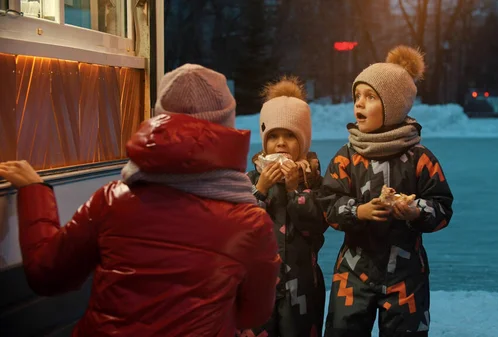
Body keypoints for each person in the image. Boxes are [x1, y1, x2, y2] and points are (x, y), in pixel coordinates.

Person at [0, 64, 280, 337]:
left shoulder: (112, 200)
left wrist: (35, 191)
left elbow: (47, 273)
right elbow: (253, 314)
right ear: (226, 129)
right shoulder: (250, 223)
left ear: (159, 122)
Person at [319, 46, 454, 337]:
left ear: (392, 104)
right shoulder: (347, 156)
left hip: (406, 277)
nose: (359, 104)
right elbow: (327, 203)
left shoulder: (420, 158)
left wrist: (417, 210)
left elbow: (442, 208)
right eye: (357, 96)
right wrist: (359, 211)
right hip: (353, 273)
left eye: (370, 97)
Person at [238, 76, 327, 337]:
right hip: (257, 288)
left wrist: (295, 190)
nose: (280, 143)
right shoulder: (249, 180)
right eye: (273, 135)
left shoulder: (314, 181)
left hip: (302, 287)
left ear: (304, 141)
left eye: (290, 135)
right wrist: (261, 190)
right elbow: (239, 229)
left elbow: (317, 228)